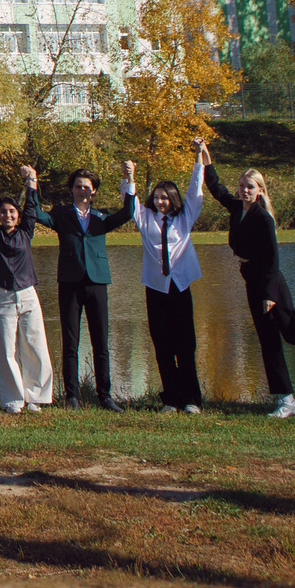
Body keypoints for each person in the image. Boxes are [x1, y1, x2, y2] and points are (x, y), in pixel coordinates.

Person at [205, 157, 295, 418]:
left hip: (269, 282)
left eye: (250, 187)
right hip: (251, 279)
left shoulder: (263, 218)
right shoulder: (237, 209)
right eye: (242, 186)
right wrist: (204, 153)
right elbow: (214, 186)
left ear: (260, 190)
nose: (244, 190)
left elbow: (273, 259)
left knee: (293, 334)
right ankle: (286, 400)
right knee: (268, 340)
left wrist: (270, 295)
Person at [33, 166, 132, 410]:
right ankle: (72, 397)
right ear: (72, 190)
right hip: (69, 281)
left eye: (86, 186)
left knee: (101, 341)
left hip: (97, 281)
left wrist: (129, 179)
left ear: (94, 191)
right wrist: (32, 183)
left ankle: (105, 397)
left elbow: (129, 211)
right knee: (70, 342)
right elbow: (35, 212)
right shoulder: (61, 214)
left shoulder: (102, 217)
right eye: (78, 186)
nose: (82, 190)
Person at [127, 140, 209, 413]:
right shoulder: (145, 217)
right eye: (157, 197)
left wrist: (198, 158)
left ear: (173, 199)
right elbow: (131, 203)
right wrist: (130, 178)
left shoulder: (184, 218)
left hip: (180, 287)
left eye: (165, 197)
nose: (161, 201)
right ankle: (171, 399)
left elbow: (195, 191)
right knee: (162, 346)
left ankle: (191, 400)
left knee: (186, 346)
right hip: (156, 288)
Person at [0, 162, 54, 413]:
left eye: (12, 212)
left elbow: (32, 207)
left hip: (27, 293)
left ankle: (36, 397)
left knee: (35, 344)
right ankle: (13, 400)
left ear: (18, 214)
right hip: (1, 296)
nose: (8, 215)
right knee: (6, 350)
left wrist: (31, 181)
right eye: (3, 212)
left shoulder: (26, 231)